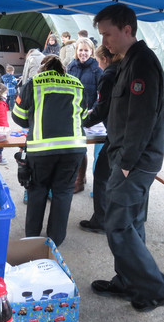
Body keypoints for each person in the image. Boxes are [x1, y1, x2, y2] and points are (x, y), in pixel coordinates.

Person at [90, 3, 164, 312]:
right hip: (129, 157)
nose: (104, 42)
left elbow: (142, 118)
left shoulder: (141, 63)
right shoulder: (129, 61)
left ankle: (158, 288)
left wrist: (125, 164)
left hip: (134, 161)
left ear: (127, 29)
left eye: (108, 34)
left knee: (118, 224)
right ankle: (130, 284)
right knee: (132, 222)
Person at [12, 55, 87, 247]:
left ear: (42, 68)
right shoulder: (77, 83)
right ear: (63, 68)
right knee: (63, 192)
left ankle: (32, 238)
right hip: (73, 149)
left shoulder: (34, 83)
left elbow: (19, 117)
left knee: (37, 191)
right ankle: (55, 240)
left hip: (41, 150)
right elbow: (83, 115)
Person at [79, 45, 121, 234]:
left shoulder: (109, 75)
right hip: (124, 132)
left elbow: (102, 107)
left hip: (117, 134)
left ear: (104, 59)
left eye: (98, 60)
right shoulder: (123, 70)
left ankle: (101, 220)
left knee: (102, 176)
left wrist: (84, 121)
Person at [67, 37, 103, 193]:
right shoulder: (71, 66)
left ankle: (99, 187)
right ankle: (80, 180)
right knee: (79, 148)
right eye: (80, 50)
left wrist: (94, 110)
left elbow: (101, 93)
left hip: (94, 115)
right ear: (76, 51)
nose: (83, 53)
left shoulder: (97, 68)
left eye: (86, 50)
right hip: (75, 115)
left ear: (91, 52)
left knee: (99, 152)